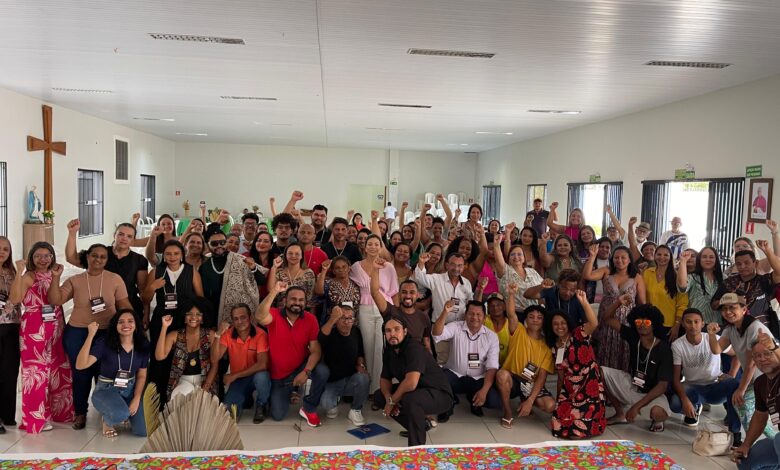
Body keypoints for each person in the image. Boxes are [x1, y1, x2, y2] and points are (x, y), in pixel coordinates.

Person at [48, 243, 132, 430]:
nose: (98, 259)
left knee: (106, 374)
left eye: (103, 257)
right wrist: (55, 278)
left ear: (107, 260)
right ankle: (80, 412)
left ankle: (105, 411)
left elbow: (124, 305)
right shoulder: (75, 280)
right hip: (78, 332)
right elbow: (55, 299)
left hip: (107, 333)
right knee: (81, 373)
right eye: (94, 255)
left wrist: (135, 326)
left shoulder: (115, 279)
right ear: (87, 257)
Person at [10, 243, 74, 433]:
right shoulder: (29, 276)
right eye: (38, 255)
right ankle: (35, 418)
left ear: (52, 257)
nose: (43, 259)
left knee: (59, 368)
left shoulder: (54, 274)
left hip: (56, 324)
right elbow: (15, 299)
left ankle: (60, 411)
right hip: (34, 325)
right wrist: (19, 272)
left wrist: (56, 277)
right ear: (32, 257)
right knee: (35, 372)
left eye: (47, 255)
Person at [255, 283, 329, 426]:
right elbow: (259, 316)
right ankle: (287, 391)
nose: (297, 303)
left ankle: (309, 408)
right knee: (277, 415)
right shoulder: (274, 314)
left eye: (301, 300)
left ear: (305, 302)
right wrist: (274, 291)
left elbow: (316, 350)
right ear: (285, 301)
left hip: (301, 366)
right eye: (293, 299)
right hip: (280, 375)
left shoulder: (310, 319)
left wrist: (306, 372)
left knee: (322, 371)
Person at [374, 315, 454, 446]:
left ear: (405, 331)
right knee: (379, 396)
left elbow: (411, 382)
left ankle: (417, 448)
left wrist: (392, 401)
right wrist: (388, 398)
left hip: (439, 394)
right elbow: (384, 379)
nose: (392, 334)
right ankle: (419, 426)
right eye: (388, 331)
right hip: (417, 391)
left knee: (410, 399)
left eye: (396, 329)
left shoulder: (414, 347)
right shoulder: (389, 350)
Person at [142, 239, 204, 405]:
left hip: (185, 321)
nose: (172, 257)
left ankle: (178, 397)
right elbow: (145, 299)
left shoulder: (191, 271)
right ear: (163, 255)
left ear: (182, 254)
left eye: (176, 253)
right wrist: (153, 287)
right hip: (161, 319)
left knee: (179, 357)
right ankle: (157, 400)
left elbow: (200, 298)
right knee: (159, 359)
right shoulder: (156, 271)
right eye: (168, 253)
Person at [670, 308, 741, 442]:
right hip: (693, 388)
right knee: (675, 403)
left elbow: (737, 354)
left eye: (696, 322)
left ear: (702, 324)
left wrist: (731, 374)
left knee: (733, 384)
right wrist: (685, 401)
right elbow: (676, 378)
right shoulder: (677, 345)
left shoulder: (713, 338)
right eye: (688, 322)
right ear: (683, 324)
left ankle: (735, 433)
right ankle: (695, 406)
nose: (693, 326)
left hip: (715, 386)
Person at [76, 310, 148, 437]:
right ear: (115, 326)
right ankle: (108, 421)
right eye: (121, 322)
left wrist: (136, 399)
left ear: (136, 324)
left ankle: (121, 411)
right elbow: (80, 365)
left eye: (130, 321)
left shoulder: (143, 344)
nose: (126, 325)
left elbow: (142, 375)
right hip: (106, 390)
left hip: (130, 389)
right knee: (121, 414)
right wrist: (90, 335)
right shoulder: (104, 343)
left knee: (143, 431)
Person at [601, 304, 673, 432]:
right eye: (638, 321)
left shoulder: (664, 349)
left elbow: (662, 386)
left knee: (657, 413)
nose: (642, 325)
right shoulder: (633, 336)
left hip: (654, 394)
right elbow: (607, 318)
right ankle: (620, 414)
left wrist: (636, 407)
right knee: (600, 371)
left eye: (647, 322)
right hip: (633, 386)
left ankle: (657, 421)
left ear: (654, 324)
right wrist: (618, 302)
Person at [66, 219, 149, 329]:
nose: (124, 238)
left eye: (129, 236)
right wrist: (72, 233)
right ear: (114, 235)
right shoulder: (102, 253)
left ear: (133, 239)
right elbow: (72, 258)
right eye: (121, 234)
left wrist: (146, 314)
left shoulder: (139, 260)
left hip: (128, 307)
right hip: (101, 308)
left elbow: (142, 290)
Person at [545, 290, 606, 439]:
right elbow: (561, 376)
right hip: (570, 388)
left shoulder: (579, 334)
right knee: (558, 427)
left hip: (589, 385)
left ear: (568, 323)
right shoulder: (554, 347)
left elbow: (594, 323)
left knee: (583, 427)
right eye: (555, 324)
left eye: (563, 323)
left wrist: (584, 302)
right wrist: (559, 400)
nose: (560, 327)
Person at [716, 293, 778, 440]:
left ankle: (764, 442)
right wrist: (712, 335)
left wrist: (741, 389)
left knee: (743, 404)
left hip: (771, 378)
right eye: (724, 309)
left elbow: (751, 363)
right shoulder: (731, 329)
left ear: (744, 309)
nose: (728, 312)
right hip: (757, 379)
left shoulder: (754, 328)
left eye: (732, 307)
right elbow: (718, 350)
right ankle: (767, 441)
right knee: (745, 408)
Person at [432, 300, 501, 419]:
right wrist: (445, 312)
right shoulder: (456, 326)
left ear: (484, 317)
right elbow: (437, 333)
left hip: (478, 379)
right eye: (471, 314)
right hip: (454, 376)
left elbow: (492, 366)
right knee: (438, 380)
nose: (474, 317)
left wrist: (484, 391)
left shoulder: (492, 337)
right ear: (465, 315)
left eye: (478, 314)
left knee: (494, 401)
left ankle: (473, 399)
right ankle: (448, 404)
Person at [350, 235, 399, 394]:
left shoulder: (388, 266)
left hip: (383, 308)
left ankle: (378, 389)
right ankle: (370, 385)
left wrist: (396, 314)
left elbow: (394, 291)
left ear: (380, 247)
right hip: (364, 309)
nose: (372, 247)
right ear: (364, 247)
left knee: (380, 347)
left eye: (376, 244)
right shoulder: (356, 266)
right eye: (369, 244)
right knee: (368, 347)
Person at [495, 304, 555, 429]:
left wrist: (530, 400)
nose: (535, 320)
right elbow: (511, 314)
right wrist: (511, 295)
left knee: (550, 406)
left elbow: (542, 377)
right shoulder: (519, 329)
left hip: (530, 382)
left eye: (539, 317)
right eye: (531, 317)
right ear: (526, 319)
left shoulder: (546, 345)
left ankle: (525, 401)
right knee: (502, 375)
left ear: (543, 321)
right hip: (513, 378)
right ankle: (507, 412)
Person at [588, 246, 646, 372]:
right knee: (604, 346)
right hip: (607, 317)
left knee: (624, 349)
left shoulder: (636, 277)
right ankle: (603, 379)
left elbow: (642, 303)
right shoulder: (606, 271)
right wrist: (592, 257)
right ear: (612, 259)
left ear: (629, 260)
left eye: (623, 257)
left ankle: (622, 381)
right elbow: (588, 275)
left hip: (626, 321)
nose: (619, 260)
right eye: (616, 257)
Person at [209, 304, 271, 423]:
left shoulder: (260, 334)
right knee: (229, 412)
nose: (239, 322)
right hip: (239, 380)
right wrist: (218, 334)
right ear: (232, 321)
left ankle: (262, 404)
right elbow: (214, 359)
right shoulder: (228, 334)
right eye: (236, 319)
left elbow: (262, 364)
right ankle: (247, 399)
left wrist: (234, 375)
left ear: (250, 317)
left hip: (255, 376)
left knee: (262, 377)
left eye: (243, 317)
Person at [732, 330, 780, 469]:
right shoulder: (760, 383)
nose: (762, 359)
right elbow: (760, 416)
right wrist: (746, 444)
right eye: (757, 356)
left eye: (768, 353)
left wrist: (774, 347)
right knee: (745, 461)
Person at [414, 252, 473, 363]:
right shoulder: (437, 279)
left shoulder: (466, 283)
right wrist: (421, 263)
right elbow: (420, 278)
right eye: (453, 264)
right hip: (441, 328)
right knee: (443, 361)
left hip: (460, 328)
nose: (456, 268)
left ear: (464, 266)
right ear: (447, 265)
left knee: (460, 360)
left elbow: (470, 304)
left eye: (460, 265)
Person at [713, 241, 780, 339]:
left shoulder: (764, 281)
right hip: (734, 333)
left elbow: (778, 272)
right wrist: (729, 300)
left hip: (761, 333)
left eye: (747, 263)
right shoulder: (729, 282)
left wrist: (767, 251)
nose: (742, 267)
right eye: (739, 264)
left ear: (755, 263)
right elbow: (714, 305)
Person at [155, 298, 217, 399]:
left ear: (202, 318)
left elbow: (215, 365)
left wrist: (206, 386)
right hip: (182, 380)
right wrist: (164, 327)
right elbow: (159, 356)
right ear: (184, 317)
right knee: (183, 395)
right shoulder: (175, 335)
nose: (194, 317)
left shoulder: (210, 335)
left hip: (204, 380)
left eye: (198, 314)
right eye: (189, 314)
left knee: (201, 402)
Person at [199, 231, 263, 328]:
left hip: (234, 313)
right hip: (210, 312)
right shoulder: (203, 262)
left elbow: (262, 280)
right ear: (208, 245)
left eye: (222, 242)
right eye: (214, 243)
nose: (219, 246)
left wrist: (253, 268)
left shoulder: (240, 260)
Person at [318, 305, 369, 425]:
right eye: (343, 318)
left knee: (363, 378)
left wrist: (361, 365)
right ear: (337, 320)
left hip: (351, 378)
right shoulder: (330, 332)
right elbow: (320, 338)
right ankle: (334, 402)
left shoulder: (356, 331)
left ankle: (355, 410)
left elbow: (360, 353)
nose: (347, 322)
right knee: (326, 405)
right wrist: (332, 319)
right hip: (333, 380)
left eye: (350, 318)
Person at [643, 245, 688, 340]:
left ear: (670, 257)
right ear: (654, 256)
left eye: (666, 255)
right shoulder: (647, 273)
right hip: (649, 323)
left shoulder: (677, 276)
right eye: (659, 254)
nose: (662, 257)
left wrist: (676, 325)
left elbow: (682, 304)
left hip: (668, 325)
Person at [0, 237, 20, 432]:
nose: (2, 252)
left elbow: (18, 297)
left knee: (10, 372)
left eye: (6, 249)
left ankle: (7, 415)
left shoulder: (13, 273)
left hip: (13, 327)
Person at [677, 248, 724, 325]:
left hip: (717, 324)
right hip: (695, 325)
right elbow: (682, 286)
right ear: (699, 259)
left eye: (711, 257)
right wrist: (683, 261)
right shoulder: (693, 277)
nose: (708, 259)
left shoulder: (723, 278)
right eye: (704, 257)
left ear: (716, 260)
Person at [268, 243, 316, 309]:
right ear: (285, 255)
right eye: (290, 253)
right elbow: (271, 291)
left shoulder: (308, 273)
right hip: (280, 310)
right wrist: (274, 267)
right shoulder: (278, 272)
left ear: (301, 256)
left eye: (297, 254)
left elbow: (310, 298)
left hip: (301, 310)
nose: (293, 256)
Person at [314, 257, 360, 324]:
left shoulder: (356, 283)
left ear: (349, 268)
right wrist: (324, 270)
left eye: (344, 267)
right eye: (337, 268)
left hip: (352, 323)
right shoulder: (329, 283)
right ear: (333, 271)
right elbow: (319, 292)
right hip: (333, 324)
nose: (341, 269)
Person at [499, 243, 543, 313]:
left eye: (519, 254)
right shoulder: (505, 271)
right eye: (512, 254)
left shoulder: (532, 271)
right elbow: (498, 258)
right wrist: (496, 245)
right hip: (515, 313)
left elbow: (543, 290)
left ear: (524, 258)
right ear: (508, 258)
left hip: (534, 313)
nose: (516, 257)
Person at [484, 289, 520, 365]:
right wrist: (480, 290)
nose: (495, 308)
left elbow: (511, 314)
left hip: (506, 366)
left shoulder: (511, 323)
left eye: (498, 305)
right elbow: (476, 308)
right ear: (488, 308)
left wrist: (511, 294)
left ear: (504, 306)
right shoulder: (484, 320)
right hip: (486, 364)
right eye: (491, 305)